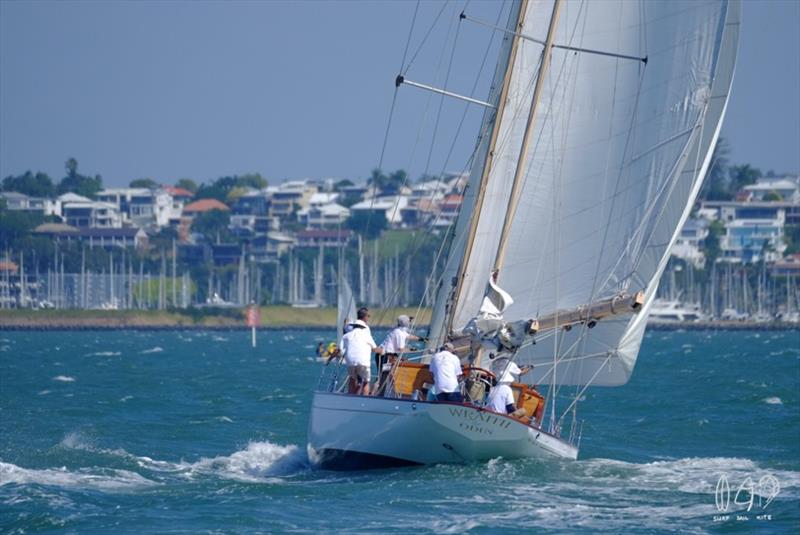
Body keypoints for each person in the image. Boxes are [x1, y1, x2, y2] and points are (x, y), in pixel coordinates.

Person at [340, 307, 383, 395]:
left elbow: (341, 347)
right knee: (366, 382)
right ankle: (365, 399)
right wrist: (383, 351)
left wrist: (345, 325)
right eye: (368, 316)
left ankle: (351, 398)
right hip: (363, 361)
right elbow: (374, 349)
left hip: (350, 361)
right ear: (365, 317)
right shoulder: (366, 332)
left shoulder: (347, 334)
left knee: (352, 379)